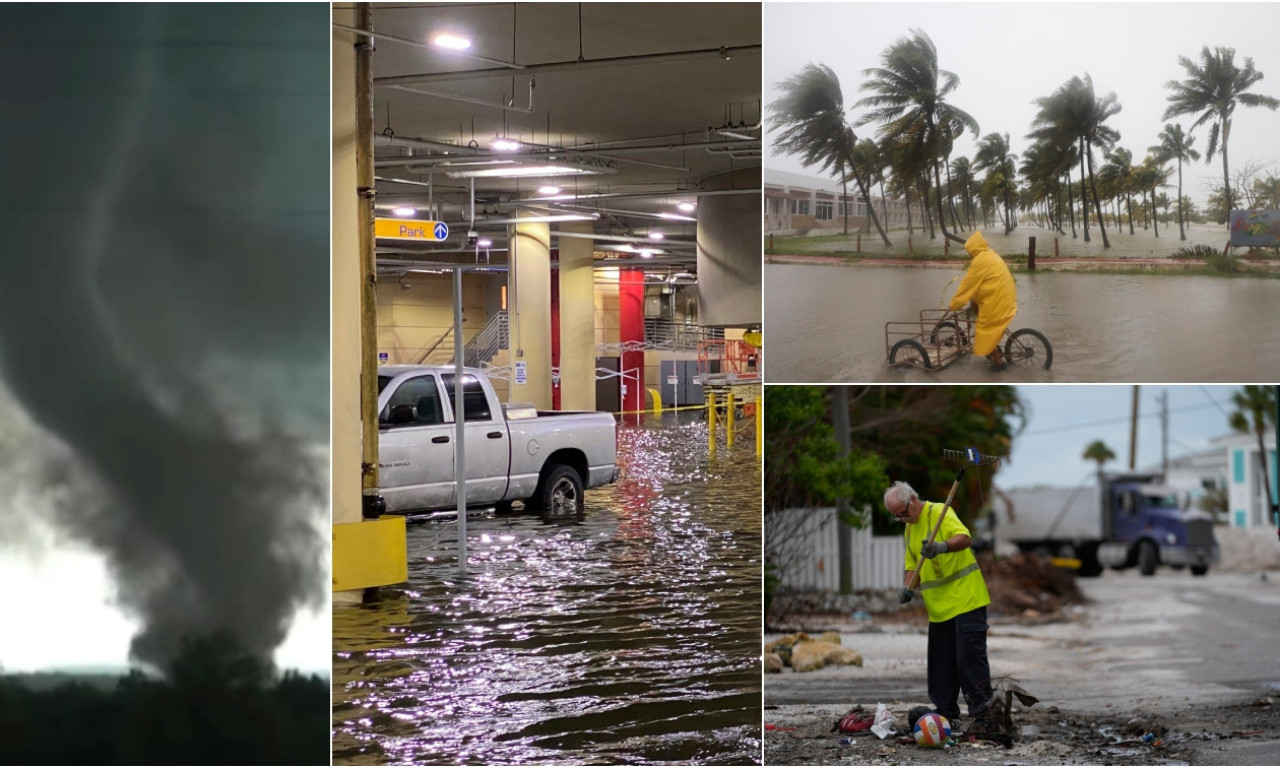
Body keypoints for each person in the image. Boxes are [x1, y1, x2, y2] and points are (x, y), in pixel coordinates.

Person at [885, 480, 993, 729]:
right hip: (939, 608)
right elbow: (913, 565)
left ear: (913, 499)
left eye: (903, 513)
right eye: (897, 517)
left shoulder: (939, 512)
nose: (903, 519)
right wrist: (907, 589)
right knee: (941, 662)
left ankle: (984, 714)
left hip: (966, 598)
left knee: (969, 658)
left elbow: (964, 538)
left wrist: (942, 547)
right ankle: (945, 711)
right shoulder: (909, 529)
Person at [949, 231, 1017, 371]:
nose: (968, 254)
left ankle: (998, 362)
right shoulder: (990, 254)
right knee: (975, 305)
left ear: (973, 249)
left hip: (997, 302)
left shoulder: (979, 262)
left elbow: (966, 287)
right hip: (1006, 298)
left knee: (983, 330)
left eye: (969, 251)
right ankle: (993, 348)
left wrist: (954, 305)